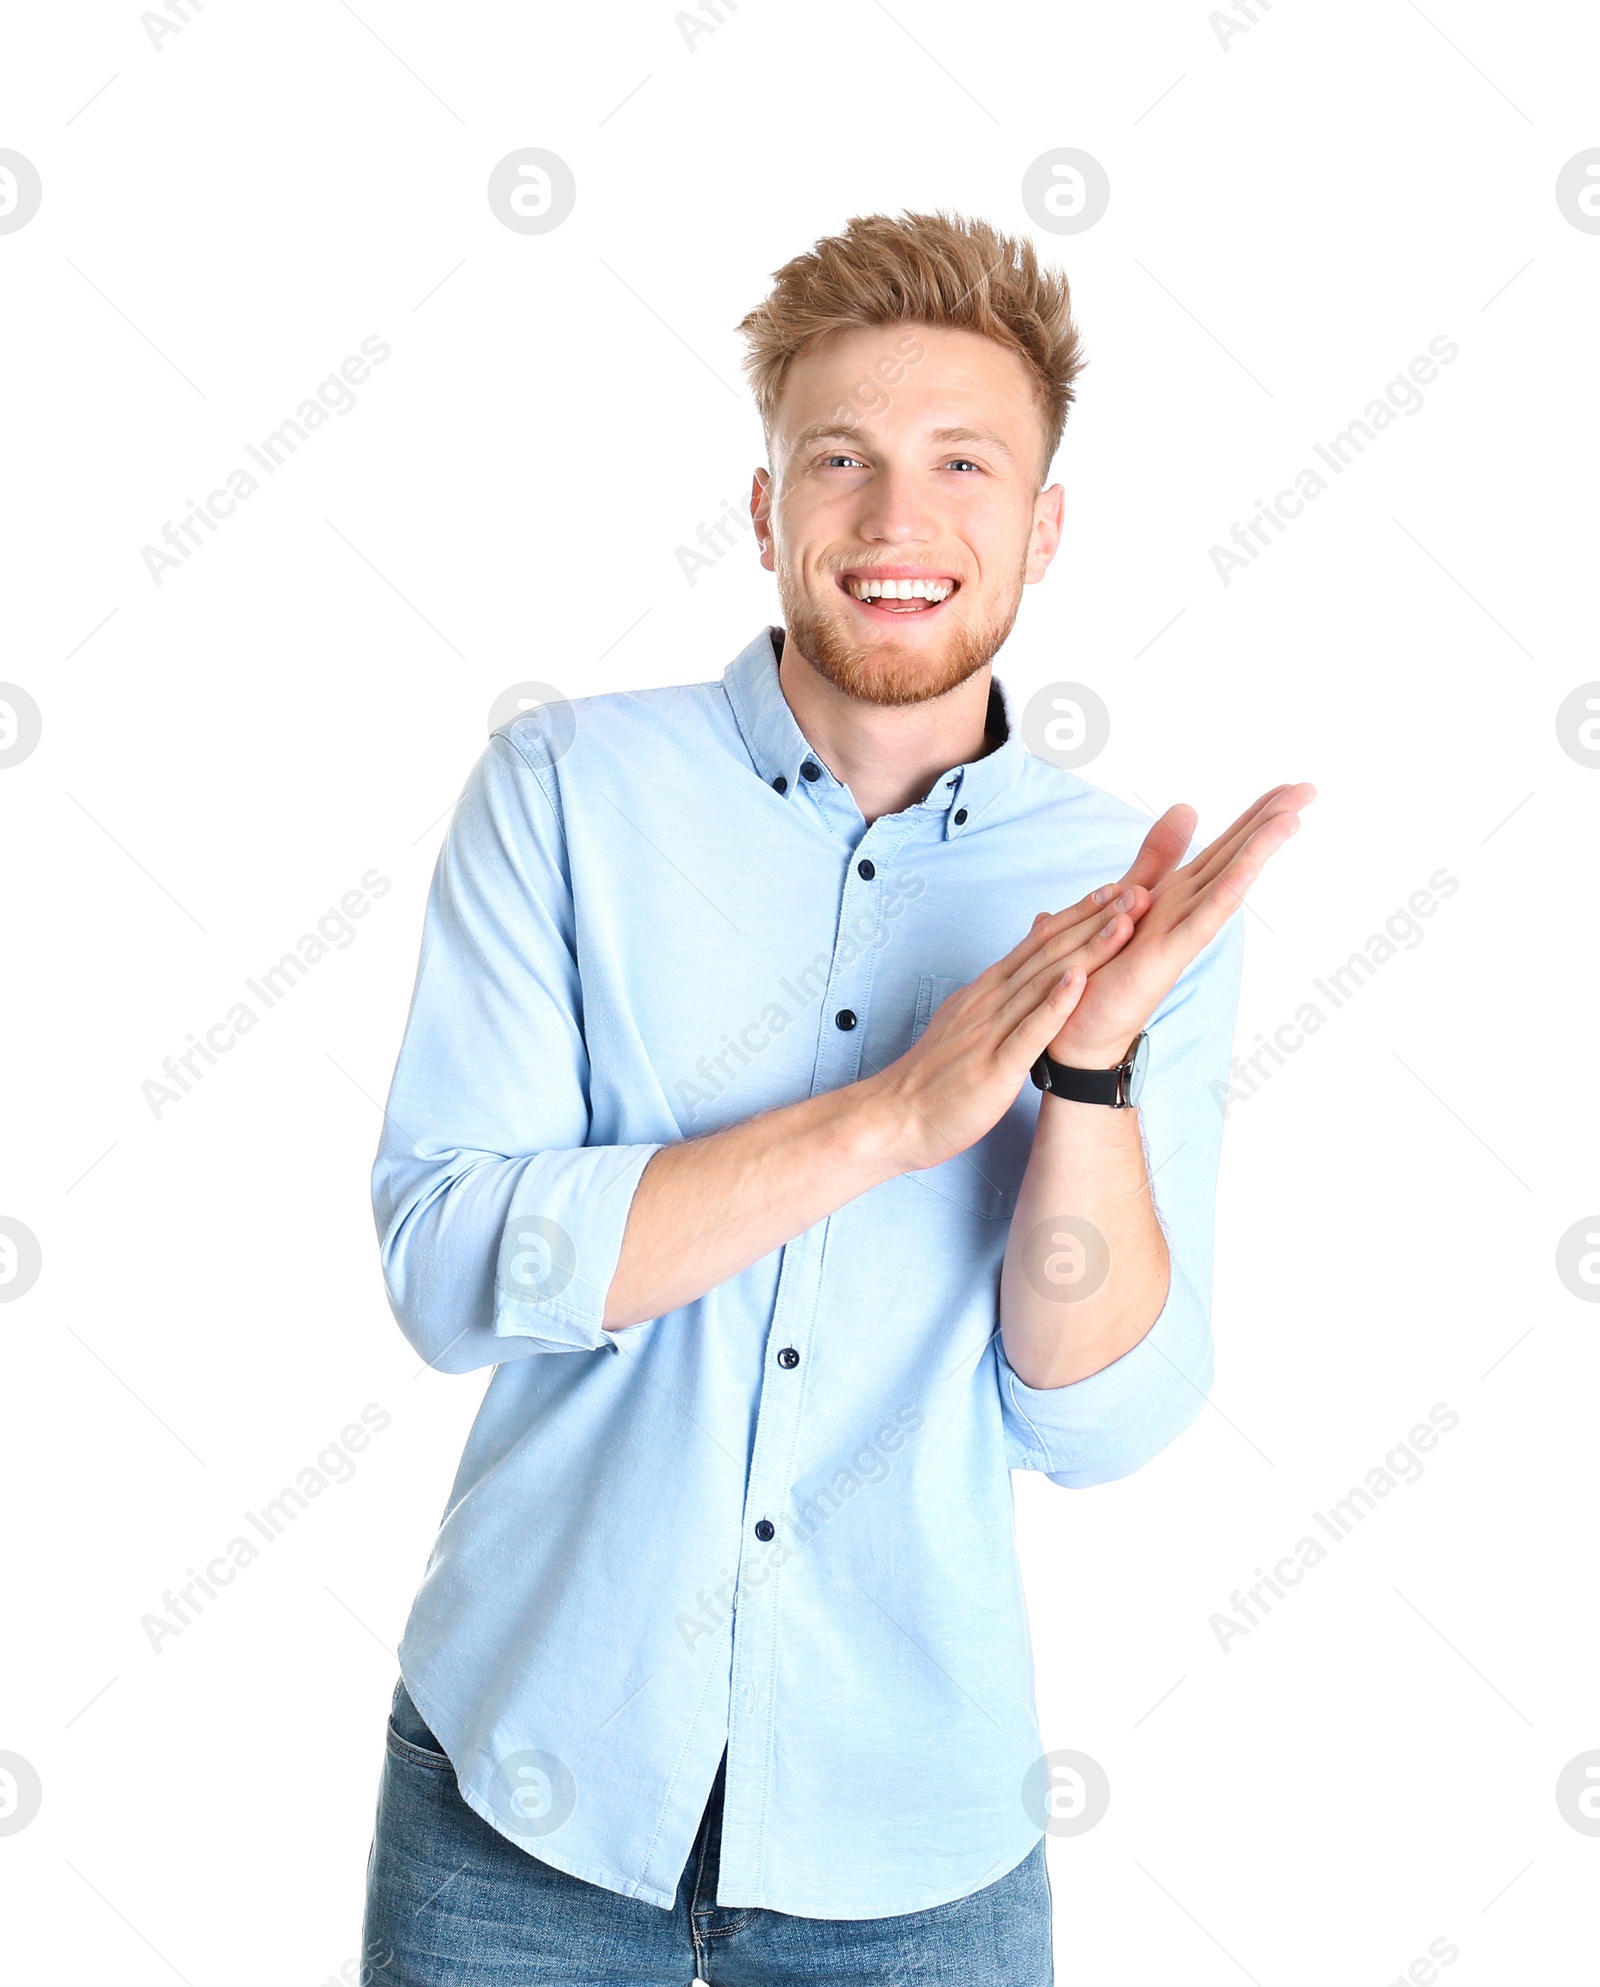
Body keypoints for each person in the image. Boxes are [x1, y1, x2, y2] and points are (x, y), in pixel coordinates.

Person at [362, 208, 1312, 1985]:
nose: (896, 523)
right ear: (765, 507)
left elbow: (1095, 1426)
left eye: (962, 464)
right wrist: (892, 1116)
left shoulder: (1123, 896)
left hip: (913, 1827)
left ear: (1041, 527)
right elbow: (449, 1266)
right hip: (522, 1788)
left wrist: (1086, 1069)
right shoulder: (565, 792)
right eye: (841, 462)